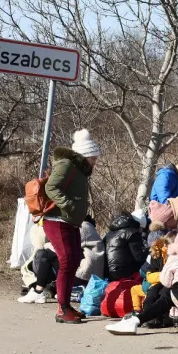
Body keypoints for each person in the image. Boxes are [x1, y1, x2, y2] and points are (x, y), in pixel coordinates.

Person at [44, 129, 101, 324]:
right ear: (85, 155)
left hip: (70, 221)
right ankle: (62, 308)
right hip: (57, 220)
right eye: (93, 157)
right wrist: (69, 205)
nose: (95, 161)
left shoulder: (78, 169)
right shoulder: (66, 165)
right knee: (67, 261)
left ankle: (67, 305)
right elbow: (51, 187)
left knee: (75, 260)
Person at [103, 213, 147, 281]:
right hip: (124, 272)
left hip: (107, 272)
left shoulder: (109, 233)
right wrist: (149, 251)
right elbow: (139, 257)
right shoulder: (132, 232)